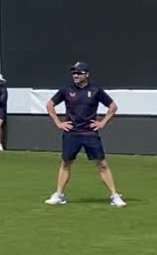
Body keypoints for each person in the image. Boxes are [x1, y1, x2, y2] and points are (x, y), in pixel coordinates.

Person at [43, 62, 126, 207]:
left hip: (90, 133)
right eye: (74, 73)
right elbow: (50, 105)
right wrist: (58, 123)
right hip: (71, 133)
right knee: (66, 163)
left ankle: (114, 195)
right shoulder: (66, 90)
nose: (75, 75)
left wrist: (103, 122)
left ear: (86, 74)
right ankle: (59, 195)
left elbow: (113, 106)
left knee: (102, 164)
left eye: (79, 73)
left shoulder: (95, 90)